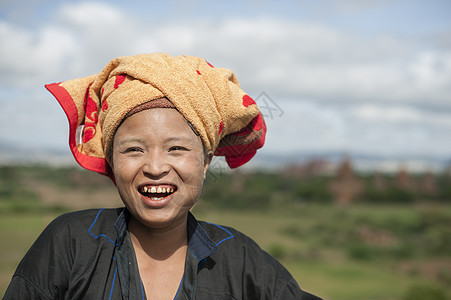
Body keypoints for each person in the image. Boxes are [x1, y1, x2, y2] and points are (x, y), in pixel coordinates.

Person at [4, 53, 321, 299]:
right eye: (134, 150)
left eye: (176, 149)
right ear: (112, 161)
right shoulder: (71, 242)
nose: (155, 168)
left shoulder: (240, 259)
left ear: (206, 161)